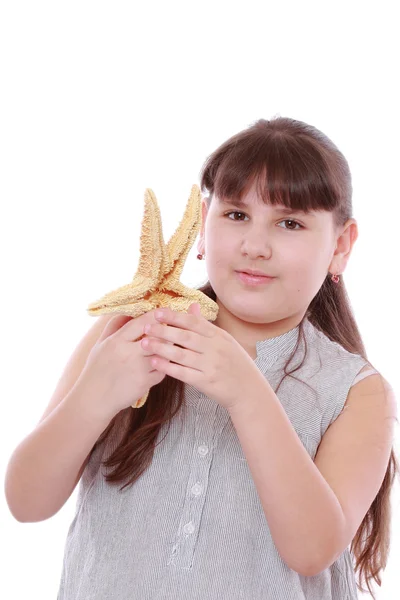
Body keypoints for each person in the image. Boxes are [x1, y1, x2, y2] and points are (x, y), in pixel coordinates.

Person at [5, 116, 398, 600]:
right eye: (236, 215)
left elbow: (313, 549)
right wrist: (95, 395)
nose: (255, 246)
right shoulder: (129, 334)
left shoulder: (356, 391)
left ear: (340, 246)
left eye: (290, 222)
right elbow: (26, 502)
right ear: (202, 230)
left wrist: (247, 394)